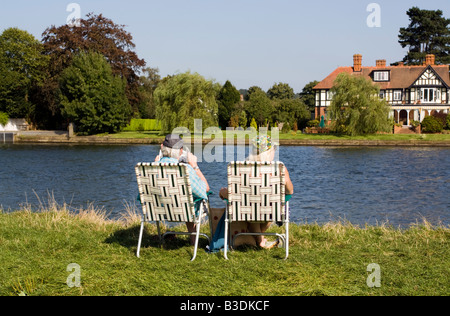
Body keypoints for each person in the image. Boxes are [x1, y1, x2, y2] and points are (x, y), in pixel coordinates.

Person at [219, 135, 294, 249]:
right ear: (269, 152)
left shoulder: (241, 167)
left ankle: (259, 238)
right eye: (273, 150)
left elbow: (235, 192)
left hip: (245, 211)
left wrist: (223, 193)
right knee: (268, 204)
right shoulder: (279, 168)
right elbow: (290, 191)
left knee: (252, 205)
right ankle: (260, 240)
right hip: (271, 210)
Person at [155, 134, 210, 245]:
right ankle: (194, 241)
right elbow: (205, 189)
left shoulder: (152, 168)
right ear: (180, 151)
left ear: (162, 148)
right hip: (184, 211)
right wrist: (195, 166)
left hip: (159, 211)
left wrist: (156, 163)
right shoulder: (186, 169)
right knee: (191, 199)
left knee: (185, 199)